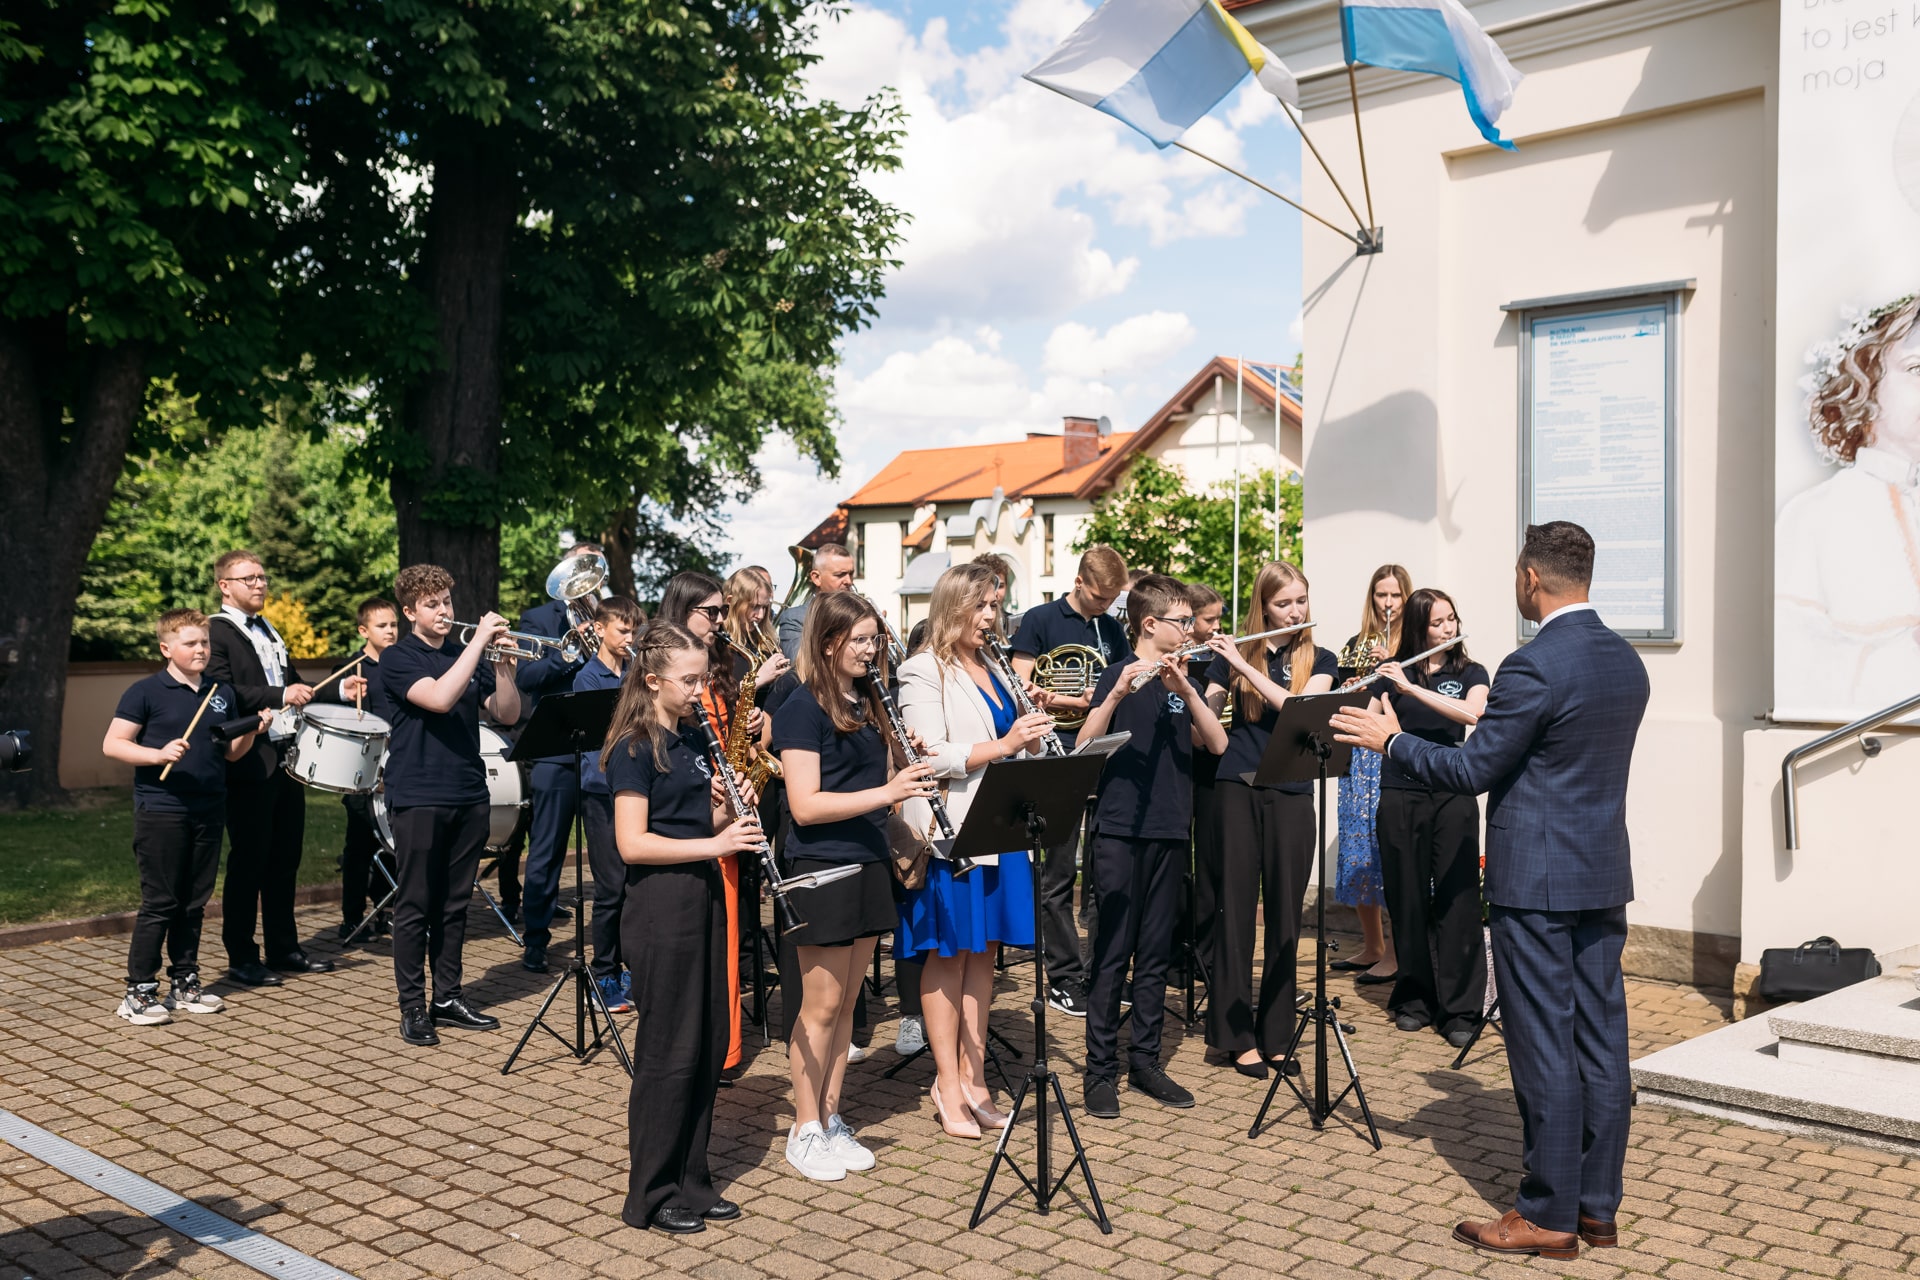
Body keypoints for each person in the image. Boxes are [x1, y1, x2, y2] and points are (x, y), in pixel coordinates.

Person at [1332, 521, 1648, 1261]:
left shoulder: (1532, 665)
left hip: (1536, 882)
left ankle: (1548, 1214)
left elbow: (1473, 770)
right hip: (1600, 874)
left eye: (1515, 575)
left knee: (1543, 1044)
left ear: (1532, 579)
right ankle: (1597, 1207)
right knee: (1603, 1042)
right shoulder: (1624, 659)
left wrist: (1391, 742)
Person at [771, 590, 937, 1181]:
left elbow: (866, 778)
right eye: (859, 640)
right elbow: (805, 805)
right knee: (818, 1006)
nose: (871, 650)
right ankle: (804, 1128)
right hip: (822, 867)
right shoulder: (800, 706)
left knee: (846, 1004)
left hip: (868, 860)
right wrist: (888, 793)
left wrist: (903, 765)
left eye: (874, 639)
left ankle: (831, 1115)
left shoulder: (866, 699)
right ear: (827, 642)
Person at [603, 622, 758, 1235]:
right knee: (667, 1053)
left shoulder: (693, 738)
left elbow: (696, 822)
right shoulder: (634, 748)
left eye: (702, 679)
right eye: (688, 681)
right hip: (660, 908)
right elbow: (633, 843)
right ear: (652, 681)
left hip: (703, 899)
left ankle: (693, 1180)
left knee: (706, 1045)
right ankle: (650, 1193)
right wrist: (716, 843)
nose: (699, 690)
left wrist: (727, 808)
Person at [895, 562, 1051, 1138]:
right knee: (950, 956)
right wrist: (1006, 742)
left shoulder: (996, 667)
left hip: (1002, 829)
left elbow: (1019, 748)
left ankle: (975, 1077)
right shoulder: (921, 669)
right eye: (980, 606)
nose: (991, 617)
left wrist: (1031, 736)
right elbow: (928, 754)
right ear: (952, 606)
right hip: (952, 833)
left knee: (984, 955)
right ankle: (946, 1082)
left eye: (995, 606)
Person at [1076, 573, 1227, 1118]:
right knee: (1113, 951)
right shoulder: (1116, 673)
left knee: (1157, 953)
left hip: (1169, 829)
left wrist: (1186, 690)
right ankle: (1099, 1070)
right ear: (1149, 624)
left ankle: (1144, 1061)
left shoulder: (1183, 679)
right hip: (1119, 831)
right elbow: (1084, 744)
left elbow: (1217, 742)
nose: (1191, 629)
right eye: (1183, 621)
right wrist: (1118, 692)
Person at [372, 564, 522, 1047]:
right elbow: (437, 698)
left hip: (468, 792)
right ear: (409, 611)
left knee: (456, 904)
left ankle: (448, 997)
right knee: (416, 903)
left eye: (447, 602)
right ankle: (413, 1006)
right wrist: (478, 644)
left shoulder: (464, 655)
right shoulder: (397, 658)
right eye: (432, 604)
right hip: (418, 794)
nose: (443, 611)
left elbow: (507, 713)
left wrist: (503, 668)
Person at [1199, 562, 1337, 1075]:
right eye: (1284, 603)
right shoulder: (1230, 659)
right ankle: (1234, 1036)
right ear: (1263, 606)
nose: (1295, 611)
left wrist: (1242, 664)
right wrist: (1191, 687)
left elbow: (1297, 707)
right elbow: (1207, 733)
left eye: (1301, 600)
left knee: (1285, 916)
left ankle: (1277, 1035)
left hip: (1293, 790)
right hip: (1236, 787)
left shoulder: (1321, 658)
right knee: (1235, 912)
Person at [102, 609, 268, 1024]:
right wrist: (157, 754)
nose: (200, 650)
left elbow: (232, 754)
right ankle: (138, 991)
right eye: (190, 643)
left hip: (209, 807)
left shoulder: (221, 692)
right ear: (166, 648)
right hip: (162, 809)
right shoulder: (145, 691)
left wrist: (251, 729)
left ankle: (184, 981)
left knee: (194, 902)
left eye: (204, 643)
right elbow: (113, 744)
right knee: (161, 901)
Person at [660, 570, 782, 1071]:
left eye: (721, 611)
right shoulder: (667, 672)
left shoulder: (725, 664)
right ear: (683, 610)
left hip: (725, 806)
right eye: (710, 612)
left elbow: (754, 745)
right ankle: (701, 1047)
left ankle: (725, 1046)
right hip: (687, 813)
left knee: (727, 933)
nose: (719, 621)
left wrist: (757, 727)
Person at [1777, 294, 1920, 717]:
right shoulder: (1814, 514)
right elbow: (1792, 661)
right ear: (1865, 380)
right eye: (1917, 369)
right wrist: (1903, 651)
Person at [1008, 544, 1132, 1019]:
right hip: (1055, 754)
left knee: (1104, 873)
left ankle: (1101, 969)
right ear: (1079, 582)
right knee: (1058, 873)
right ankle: (1063, 976)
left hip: (1101, 754)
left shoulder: (1112, 628)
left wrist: (1099, 698)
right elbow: (1021, 685)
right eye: (1100, 597)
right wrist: (1076, 701)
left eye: (1113, 599)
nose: (1106, 606)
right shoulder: (1039, 619)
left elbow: (1124, 682)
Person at [1368, 588, 1489, 1045]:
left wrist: (1411, 689)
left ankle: (1460, 1010)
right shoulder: (1392, 673)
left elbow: (1473, 714)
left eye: (1451, 619)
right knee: (1407, 898)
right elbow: (1372, 722)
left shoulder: (1471, 672)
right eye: (1437, 622)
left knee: (1459, 898)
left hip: (1453, 791)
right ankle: (1414, 998)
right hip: (1401, 791)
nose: (1447, 628)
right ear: (1419, 628)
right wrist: (1373, 687)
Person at [205, 548, 328, 987]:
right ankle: (241, 956)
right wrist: (279, 696)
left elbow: (292, 684)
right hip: (247, 760)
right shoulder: (215, 632)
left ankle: (284, 947)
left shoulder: (269, 629)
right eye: (249, 578)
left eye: (262, 577)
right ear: (225, 586)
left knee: (285, 858)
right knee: (249, 861)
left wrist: (333, 690)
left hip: (284, 759)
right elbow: (223, 691)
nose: (259, 584)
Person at [515, 540, 602, 973]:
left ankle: (612, 946)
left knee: (608, 850)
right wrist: (571, 655)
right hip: (554, 751)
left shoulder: (608, 616)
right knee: (546, 849)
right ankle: (535, 939)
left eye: (592, 570)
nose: (584, 580)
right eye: (577, 568)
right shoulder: (538, 618)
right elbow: (527, 677)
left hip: (600, 750)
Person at [1335, 564, 1410, 984]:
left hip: (1388, 754)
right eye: (1382, 595)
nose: (1388, 603)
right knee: (1358, 850)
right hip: (1356, 757)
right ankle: (1373, 945)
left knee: (1387, 852)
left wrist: (1391, 667)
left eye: (1395, 595)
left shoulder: (1411, 644)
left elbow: (1405, 700)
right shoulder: (1355, 644)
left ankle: (1397, 953)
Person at [573, 595, 646, 1015]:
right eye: (622, 630)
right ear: (599, 630)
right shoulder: (588, 678)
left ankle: (631, 967)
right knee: (610, 887)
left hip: (633, 787)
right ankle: (604, 973)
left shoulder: (636, 671)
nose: (629, 638)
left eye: (634, 630)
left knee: (633, 885)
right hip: (601, 791)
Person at [315, 596, 400, 942]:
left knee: (393, 843)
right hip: (363, 769)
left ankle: (385, 908)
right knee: (359, 846)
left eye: (394, 624)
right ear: (364, 630)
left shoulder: (402, 663)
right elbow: (330, 707)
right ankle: (352, 917)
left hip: (399, 763)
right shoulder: (353, 668)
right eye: (382, 626)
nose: (390, 631)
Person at [1182, 582, 1225, 1004]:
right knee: (1178, 866)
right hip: (1179, 770)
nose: (1216, 626)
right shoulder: (1176, 657)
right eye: (1209, 620)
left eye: (1219, 618)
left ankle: (1208, 953)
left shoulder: (1220, 658)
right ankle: (1176, 954)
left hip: (1212, 770)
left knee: (1211, 863)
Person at [776, 543, 856, 662]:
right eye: (840, 575)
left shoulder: (859, 614)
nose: (849, 581)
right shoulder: (794, 619)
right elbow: (799, 664)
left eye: (851, 574)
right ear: (816, 578)